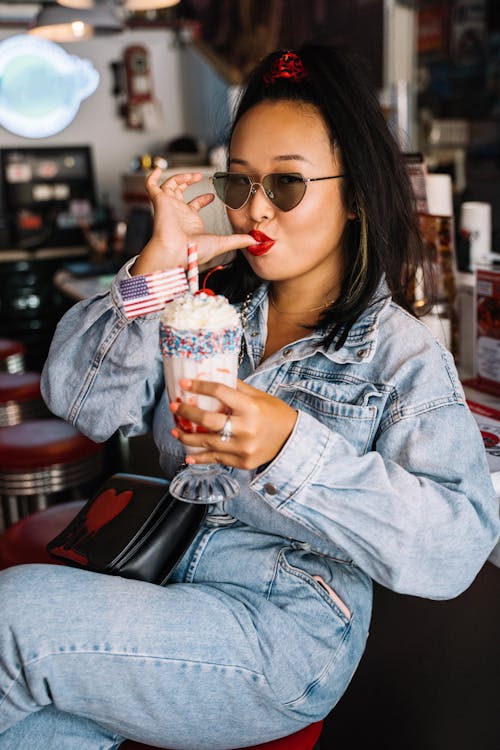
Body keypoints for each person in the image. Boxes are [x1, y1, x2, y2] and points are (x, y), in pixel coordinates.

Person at [0, 44, 498, 750]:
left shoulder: (399, 355)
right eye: (239, 183)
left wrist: (291, 449)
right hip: (163, 592)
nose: (257, 206)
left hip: (282, 639)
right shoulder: (208, 312)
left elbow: (455, 547)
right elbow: (82, 401)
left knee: (13, 617)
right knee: (45, 726)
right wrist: (157, 268)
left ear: (354, 195)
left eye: (287, 186)